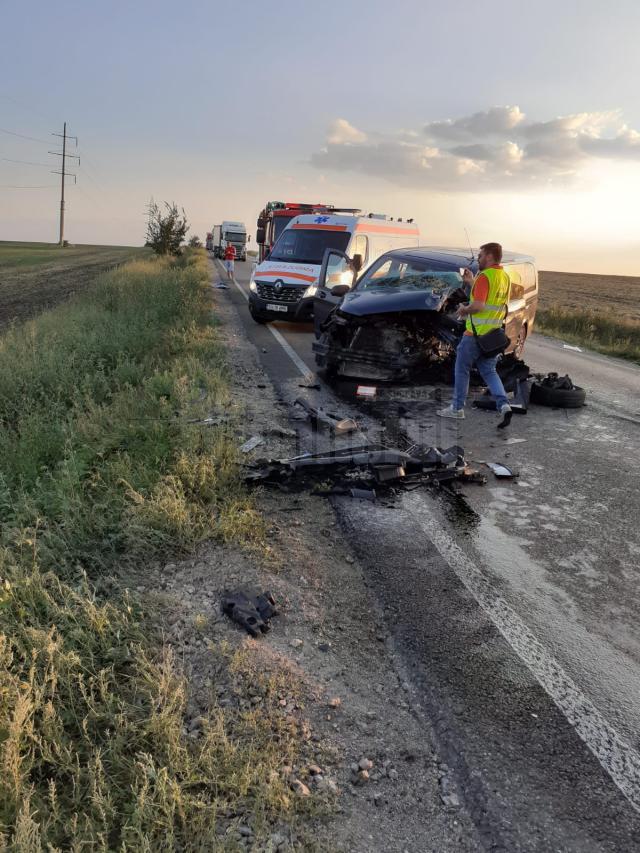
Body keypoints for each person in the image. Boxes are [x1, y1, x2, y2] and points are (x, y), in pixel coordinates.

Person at [437, 242, 512, 428]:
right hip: (492, 337)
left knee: (461, 369)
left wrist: (463, 310)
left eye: (480, 256)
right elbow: (492, 300)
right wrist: (472, 282)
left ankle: (456, 408)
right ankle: (504, 405)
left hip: (474, 335)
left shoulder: (485, 277)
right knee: (489, 371)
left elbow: (478, 306)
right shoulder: (504, 277)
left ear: (489, 256)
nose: (478, 259)